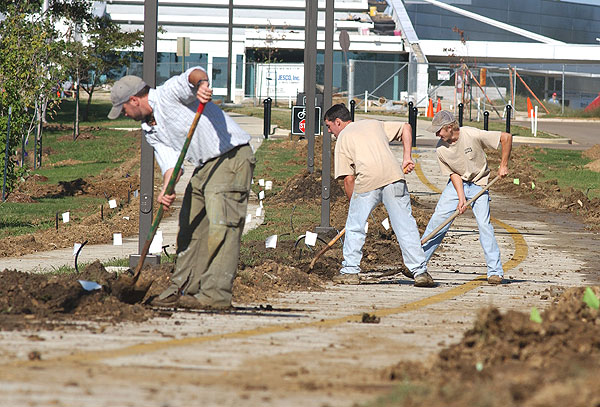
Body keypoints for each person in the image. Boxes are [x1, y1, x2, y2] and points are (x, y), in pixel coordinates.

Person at [107, 67, 255, 309]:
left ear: (134, 100)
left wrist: (203, 84)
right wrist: (166, 190)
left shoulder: (167, 94)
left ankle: (215, 295)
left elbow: (193, 74)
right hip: (204, 166)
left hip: (230, 158)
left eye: (123, 109)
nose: (124, 114)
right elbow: (170, 164)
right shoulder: (149, 129)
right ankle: (183, 288)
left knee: (221, 227)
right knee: (189, 227)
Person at [324, 103, 435, 287]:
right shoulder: (373, 123)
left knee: (355, 226)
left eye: (329, 126)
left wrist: (355, 207)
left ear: (338, 122)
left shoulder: (343, 137)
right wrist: (407, 157)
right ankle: (420, 272)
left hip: (368, 180)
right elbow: (406, 127)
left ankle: (350, 271)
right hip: (394, 177)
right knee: (405, 226)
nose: (329, 132)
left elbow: (348, 179)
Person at [421, 110, 512, 285]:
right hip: (457, 185)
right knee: (438, 221)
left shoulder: (471, 134)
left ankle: (495, 272)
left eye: (439, 130)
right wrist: (461, 197)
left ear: (449, 128)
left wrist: (503, 165)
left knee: (484, 226)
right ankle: (418, 265)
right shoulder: (440, 149)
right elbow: (453, 173)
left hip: (479, 183)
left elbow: (506, 137)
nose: (436, 134)